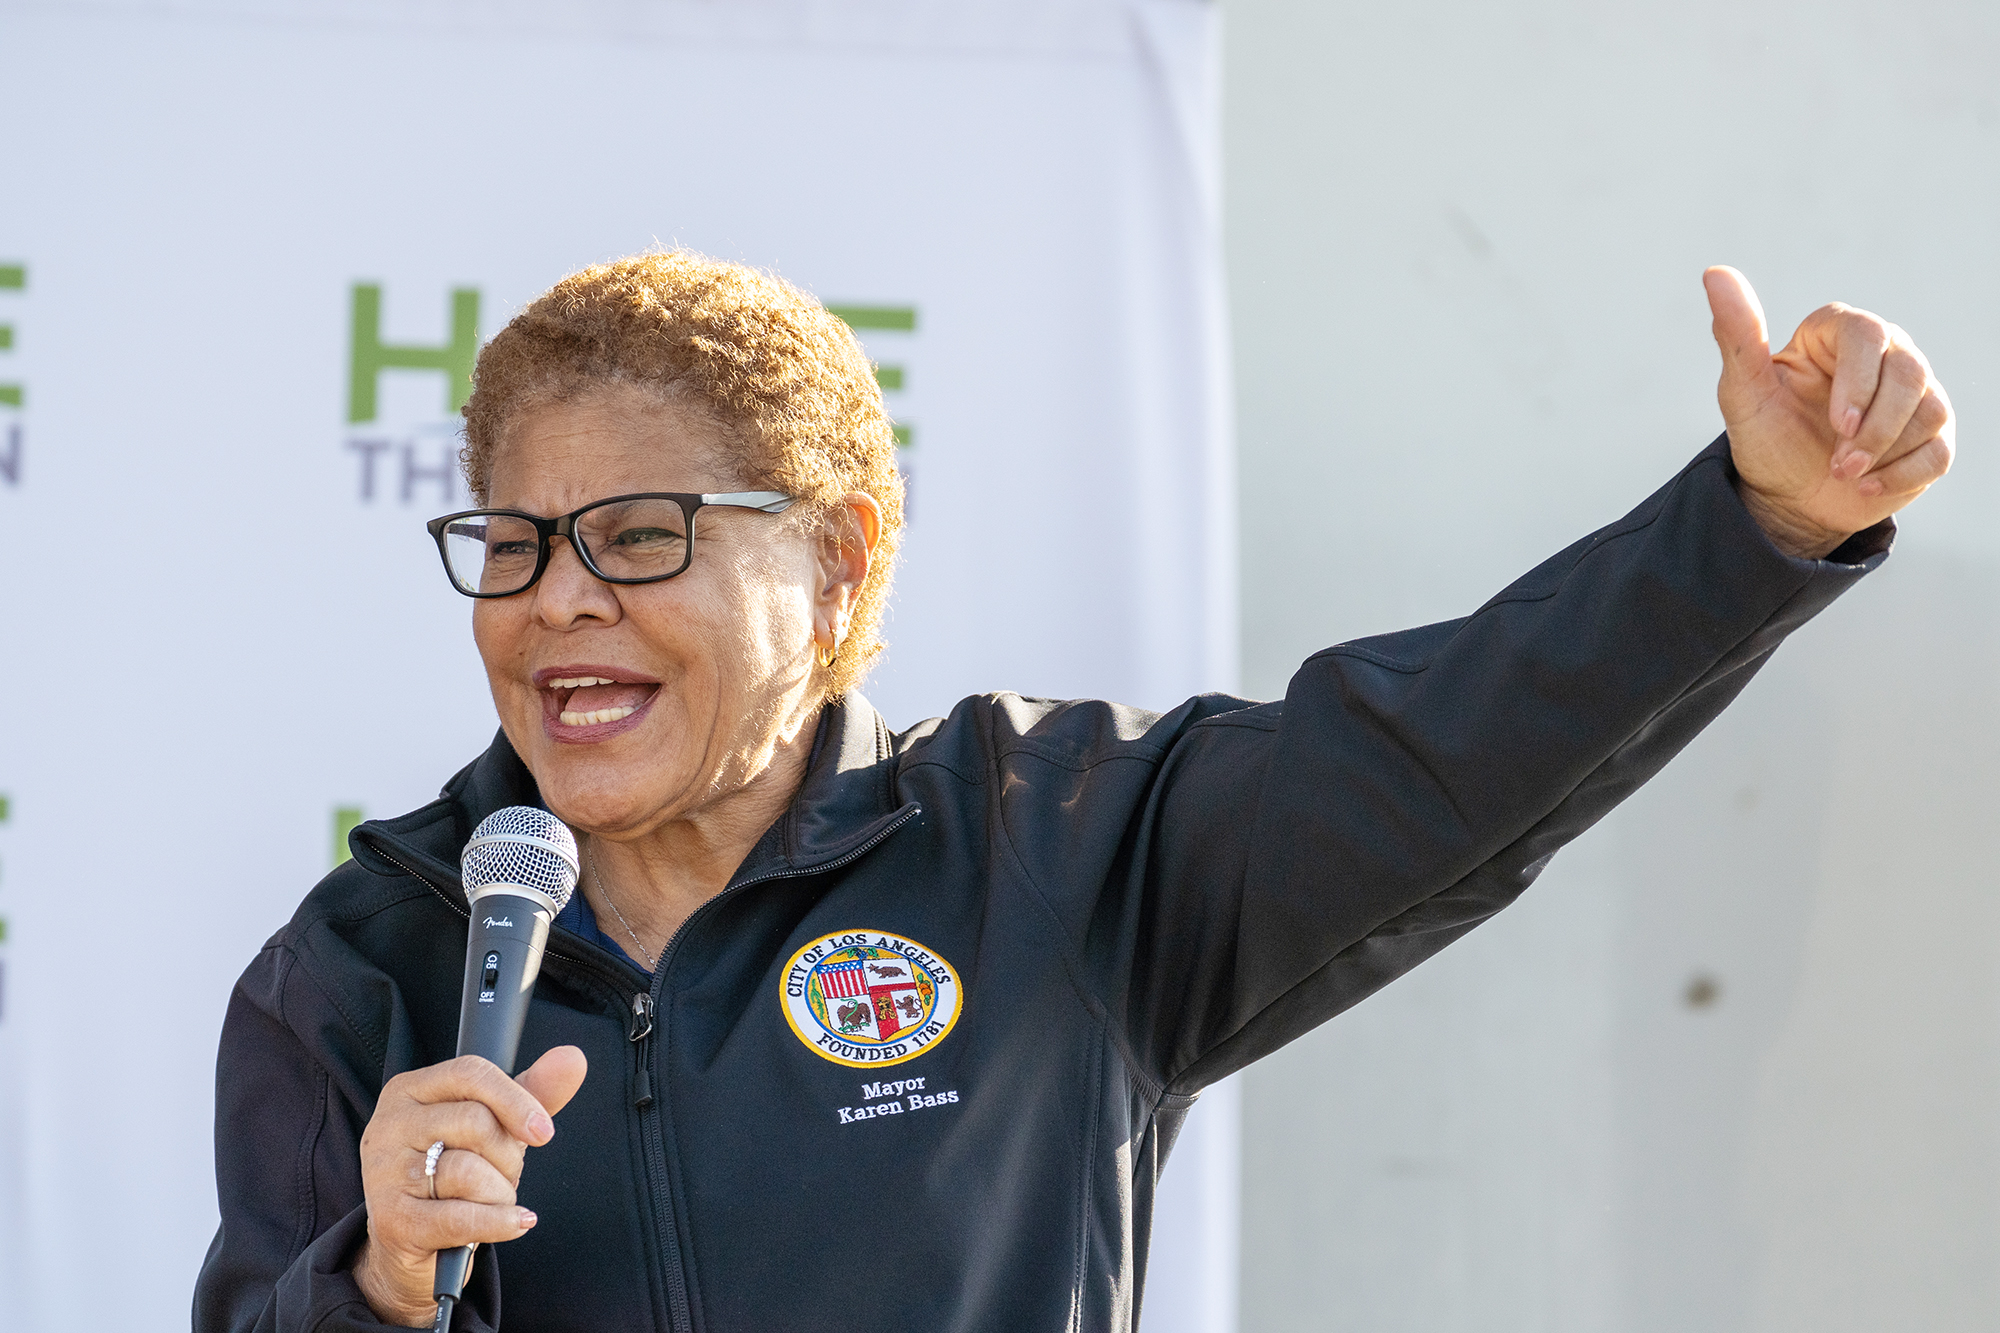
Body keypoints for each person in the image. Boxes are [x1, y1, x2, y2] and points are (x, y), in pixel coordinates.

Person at [193, 251, 1953, 1332]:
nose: (561, 595)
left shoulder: (1054, 845)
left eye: (639, 536)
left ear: (836, 564)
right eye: (513, 542)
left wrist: (1763, 523)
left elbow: (1458, 744)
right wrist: (372, 1292)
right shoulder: (361, 968)